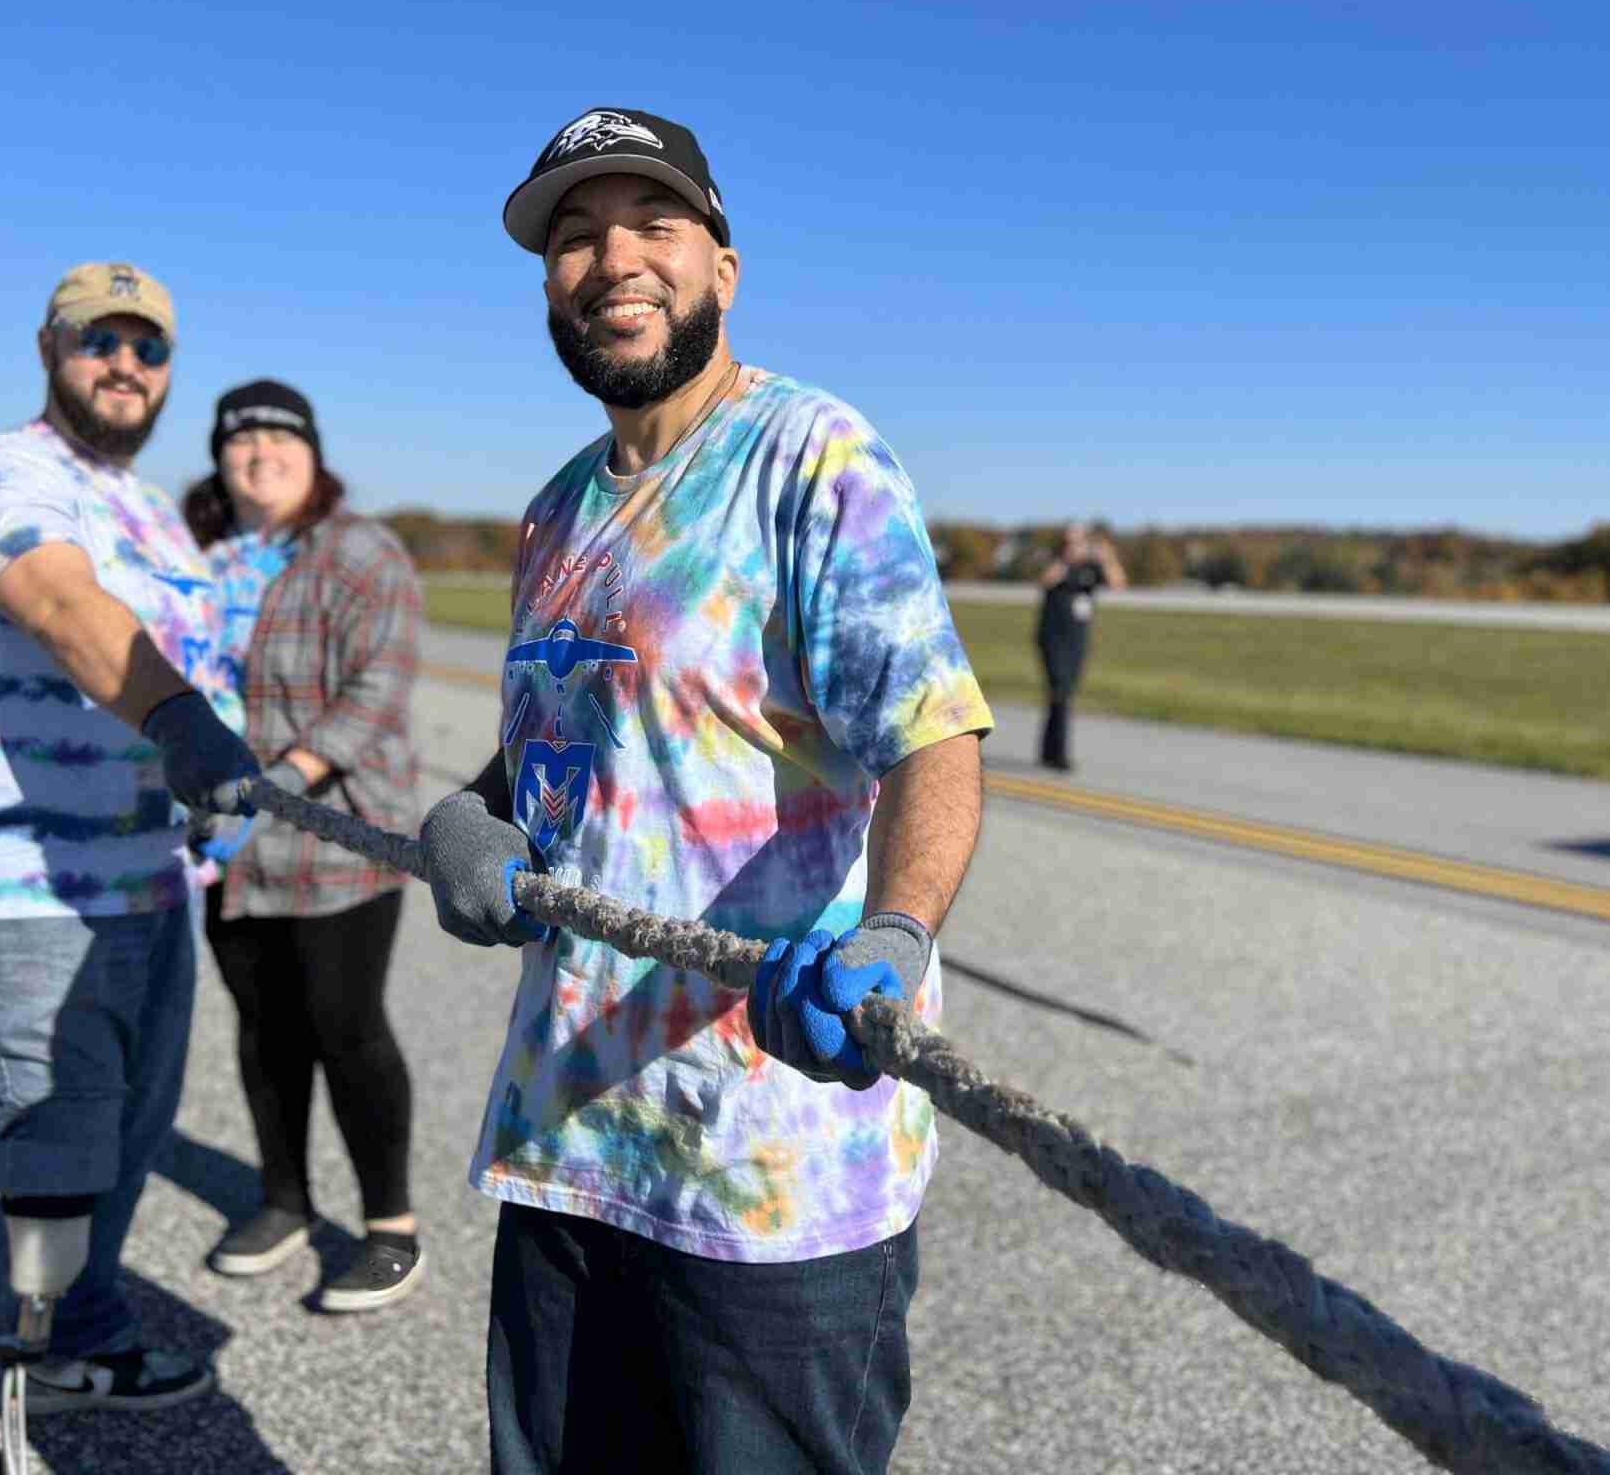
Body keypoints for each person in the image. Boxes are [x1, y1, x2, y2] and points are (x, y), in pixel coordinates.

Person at [420, 108, 994, 1474]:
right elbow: (566, 750)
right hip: (572, 1143)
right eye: (575, 233)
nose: (613, 257)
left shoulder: (814, 457)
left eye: (653, 223)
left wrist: (896, 938)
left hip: (768, 1175)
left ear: (723, 266)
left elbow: (935, 737)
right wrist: (474, 811)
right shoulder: (556, 512)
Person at [0, 262, 259, 1414]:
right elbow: (61, 604)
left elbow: (203, 663)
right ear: (48, 350)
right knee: (56, 1147)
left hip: (148, 882)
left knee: (124, 1140)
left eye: (147, 346)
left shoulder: (155, 512)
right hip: (21, 886)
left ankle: (85, 1333)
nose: (124, 363)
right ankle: (36, 1360)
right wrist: (176, 719)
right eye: (95, 340)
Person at [181, 379, 426, 1310]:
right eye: (241, 440)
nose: (260, 454)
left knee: (346, 1027)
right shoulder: (198, 555)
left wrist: (287, 776)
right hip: (225, 848)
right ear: (219, 458)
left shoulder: (362, 552)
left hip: (339, 841)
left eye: (281, 437)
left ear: (314, 453)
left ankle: (389, 1227)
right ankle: (283, 1198)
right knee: (261, 1031)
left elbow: (379, 688)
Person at [1033, 522, 1125, 772]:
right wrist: (1065, 561)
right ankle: (1059, 755)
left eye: (1079, 542)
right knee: (1060, 690)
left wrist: (1107, 557)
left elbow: (1118, 583)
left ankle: (1047, 750)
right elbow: (1044, 581)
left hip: (1077, 640)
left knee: (1063, 694)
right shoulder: (1057, 564)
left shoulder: (1091, 568)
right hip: (1052, 638)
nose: (1075, 547)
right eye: (1070, 542)